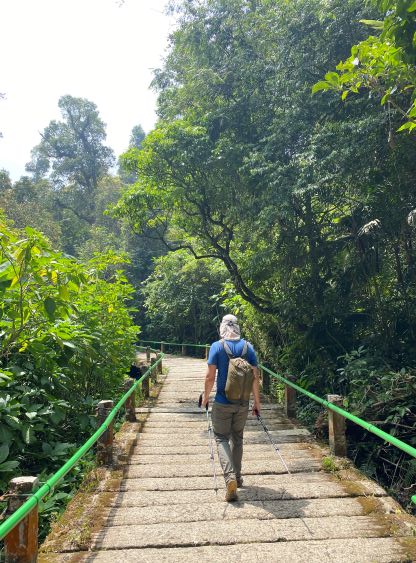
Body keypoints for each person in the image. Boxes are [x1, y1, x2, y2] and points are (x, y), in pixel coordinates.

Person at [202, 314, 261, 502]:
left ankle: (230, 479)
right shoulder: (248, 347)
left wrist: (205, 397)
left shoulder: (217, 346)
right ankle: (238, 476)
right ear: (237, 327)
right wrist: (256, 402)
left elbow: (210, 377)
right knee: (238, 438)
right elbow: (255, 378)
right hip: (242, 404)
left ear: (222, 328)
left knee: (221, 438)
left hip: (222, 402)